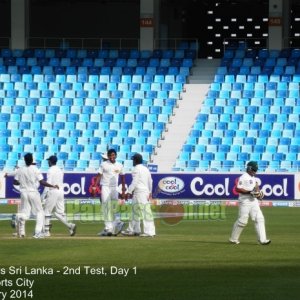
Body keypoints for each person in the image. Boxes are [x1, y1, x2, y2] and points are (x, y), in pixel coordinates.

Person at [13, 153, 59, 239]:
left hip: (23, 193)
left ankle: (17, 216)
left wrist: (23, 183)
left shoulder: (20, 170)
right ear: (31, 160)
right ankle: (37, 233)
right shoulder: (35, 169)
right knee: (40, 212)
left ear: (25, 160)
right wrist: (53, 186)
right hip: (33, 192)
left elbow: (15, 182)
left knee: (25, 214)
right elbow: (42, 182)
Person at [229, 161, 271, 245]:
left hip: (253, 201)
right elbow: (238, 189)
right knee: (242, 221)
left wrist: (258, 194)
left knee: (259, 218)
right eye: (254, 170)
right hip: (245, 201)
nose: (255, 171)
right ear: (249, 168)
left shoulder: (253, 177)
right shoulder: (243, 177)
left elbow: (256, 186)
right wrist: (249, 192)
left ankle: (262, 240)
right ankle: (233, 239)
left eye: (256, 170)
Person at [92, 149, 126, 236]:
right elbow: (99, 176)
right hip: (105, 187)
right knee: (106, 207)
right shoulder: (103, 164)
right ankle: (108, 228)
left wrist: (123, 190)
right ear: (108, 156)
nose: (112, 157)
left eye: (113, 155)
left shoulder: (119, 165)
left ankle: (117, 223)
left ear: (116, 155)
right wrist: (94, 186)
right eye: (110, 155)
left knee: (114, 206)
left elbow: (122, 178)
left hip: (114, 188)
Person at [121, 153, 156, 237]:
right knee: (134, 211)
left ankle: (149, 232)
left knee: (145, 212)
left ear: (136, 160)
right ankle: (133, 230)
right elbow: (150, 181)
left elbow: (135, 181)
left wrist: (129, 192)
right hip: (143, 192)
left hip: (140, 192)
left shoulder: (136, 169)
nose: (132, 161)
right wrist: (150, 192)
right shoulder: (146, 169)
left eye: (133, 160)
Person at [42, 155, 76, 237]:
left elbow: (48, 183)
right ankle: (70, 226)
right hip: (61, 192)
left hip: (53, 191)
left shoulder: (50, 170)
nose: (48, 162)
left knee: (47, 211)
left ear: (50, 161)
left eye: (48, 161)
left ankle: (46, 232)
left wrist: (43, 195)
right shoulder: (60, 170)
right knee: (60, 213)